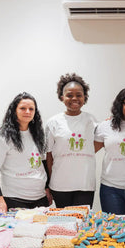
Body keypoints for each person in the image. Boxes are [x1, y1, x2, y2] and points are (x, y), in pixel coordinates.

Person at [0, 92, 50, 212]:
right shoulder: (2, 137)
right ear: (14, 110)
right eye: (23, 108)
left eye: (31, 109)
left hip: (41, 199)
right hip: (15, 200)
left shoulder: (38, 135)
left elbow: (43, 164)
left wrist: (47, 188)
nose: (27, 112)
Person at [45, 73, 98, 208]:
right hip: (60, 186)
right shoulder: (53, 122)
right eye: (69, 95)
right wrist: (49, 183)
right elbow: (49, 155)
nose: (74, 98)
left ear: (84, 97)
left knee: (81, 225)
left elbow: (103, 139)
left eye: (79, 95)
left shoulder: (92, 121)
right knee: (64, 225)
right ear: (62, 97)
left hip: (85, 185)